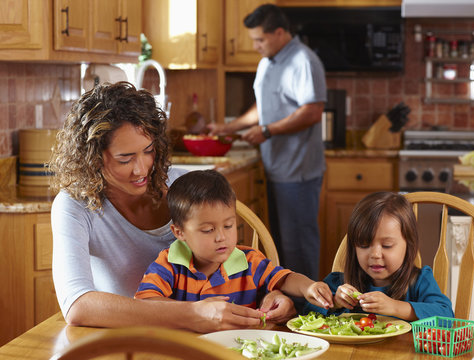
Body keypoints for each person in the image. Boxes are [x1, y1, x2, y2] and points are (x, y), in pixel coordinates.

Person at [49, 81, 296, 332]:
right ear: (92, 159)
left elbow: (233, 267)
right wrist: (193, 313)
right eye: (125, 159)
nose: (141, 169)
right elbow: (78, 306)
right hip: (128, 339)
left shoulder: (187, 185)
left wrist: (268, 297)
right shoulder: (74, 207)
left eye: (148, 151)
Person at [208, 4, 326, 284]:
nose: (255, 45)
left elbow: (312, 110)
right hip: (275, 166)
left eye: (260, 39)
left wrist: (268, 132)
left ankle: (311, 308)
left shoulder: (303, 61)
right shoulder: (267, 62)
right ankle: (289, 309)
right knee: (281, 244)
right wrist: (230, 127)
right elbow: (264, 107)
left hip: (298, 170)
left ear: (280, 33)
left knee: (298, 244)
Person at [135, 170, 333, 317]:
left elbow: (285, 278)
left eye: (228, 226)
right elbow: (145, 302)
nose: (221, 237)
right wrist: (193, 311)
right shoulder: (169, 265)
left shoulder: (250, 261)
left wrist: (309, 286)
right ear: (179, 232)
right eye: (208, 230)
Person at [304, 192, 454, 321]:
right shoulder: (338, 283)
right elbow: (305, 315)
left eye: (387, 245)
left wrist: (395, 307)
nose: (375, 255)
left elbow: (446, 316)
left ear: (409, 245)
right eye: (364, 245)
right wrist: (334, 303)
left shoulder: (419, 281)